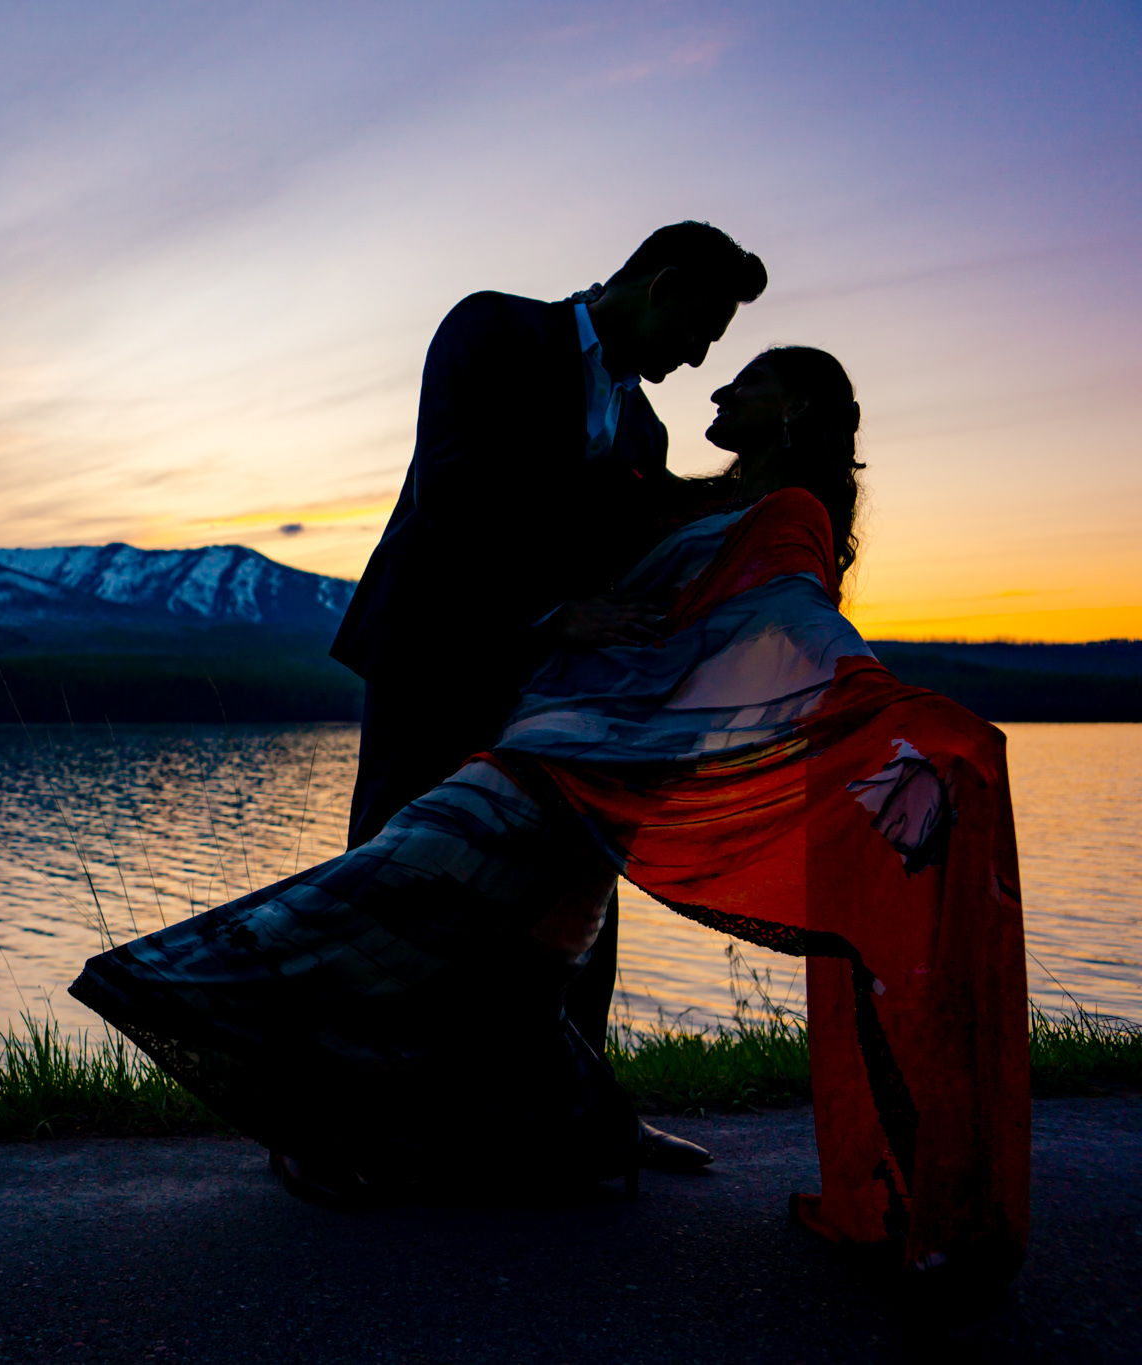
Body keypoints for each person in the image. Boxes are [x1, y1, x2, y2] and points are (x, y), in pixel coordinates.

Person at [72, 349, 1030, 1286]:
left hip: (616, 764)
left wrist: (899, 721)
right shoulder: (681, 488)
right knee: (395, 891)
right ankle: (258, 1059)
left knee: (524, 975)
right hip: (558, 741)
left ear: (796, 411)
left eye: (752, 379)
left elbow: (805, 630)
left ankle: (563, 1128)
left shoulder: (789, 515)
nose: (720, 384)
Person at [329, 221, 768, 1171]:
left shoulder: (643, 427)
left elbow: (631, 539)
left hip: (549, 687)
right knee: (389, 881)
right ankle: (330, 1122)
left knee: (574, 882)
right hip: (438, 653)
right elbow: (453, 492)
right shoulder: (492, 331)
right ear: (661, 283)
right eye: (699, 329)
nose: (695, 361)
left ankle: (576, 1109)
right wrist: (553, 609)